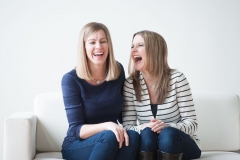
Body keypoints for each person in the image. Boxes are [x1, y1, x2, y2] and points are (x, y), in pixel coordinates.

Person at [61, 22, 140, 160]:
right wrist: (108, 125)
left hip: (109, 140)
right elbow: (76, 130)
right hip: (78, 144)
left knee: (132, 136)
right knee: (109, 136)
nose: (99, 46)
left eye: (103, 41)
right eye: (92, 42)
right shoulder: (70, 80)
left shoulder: (117, 70)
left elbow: (123, 113)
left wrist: (145, 124)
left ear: (108, 45)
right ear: (84, 47)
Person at [122, 30, 201, 160]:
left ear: (155, 50)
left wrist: (167, 126)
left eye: (140, 45)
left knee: (168, 134)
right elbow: (128, 128)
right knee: (147, 133)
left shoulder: (177, 79)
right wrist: (144, 126)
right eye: (132, 46)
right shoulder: (130, 84)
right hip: (150, 145)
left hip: (180, 144)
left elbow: (192, 124)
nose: (133, 50)